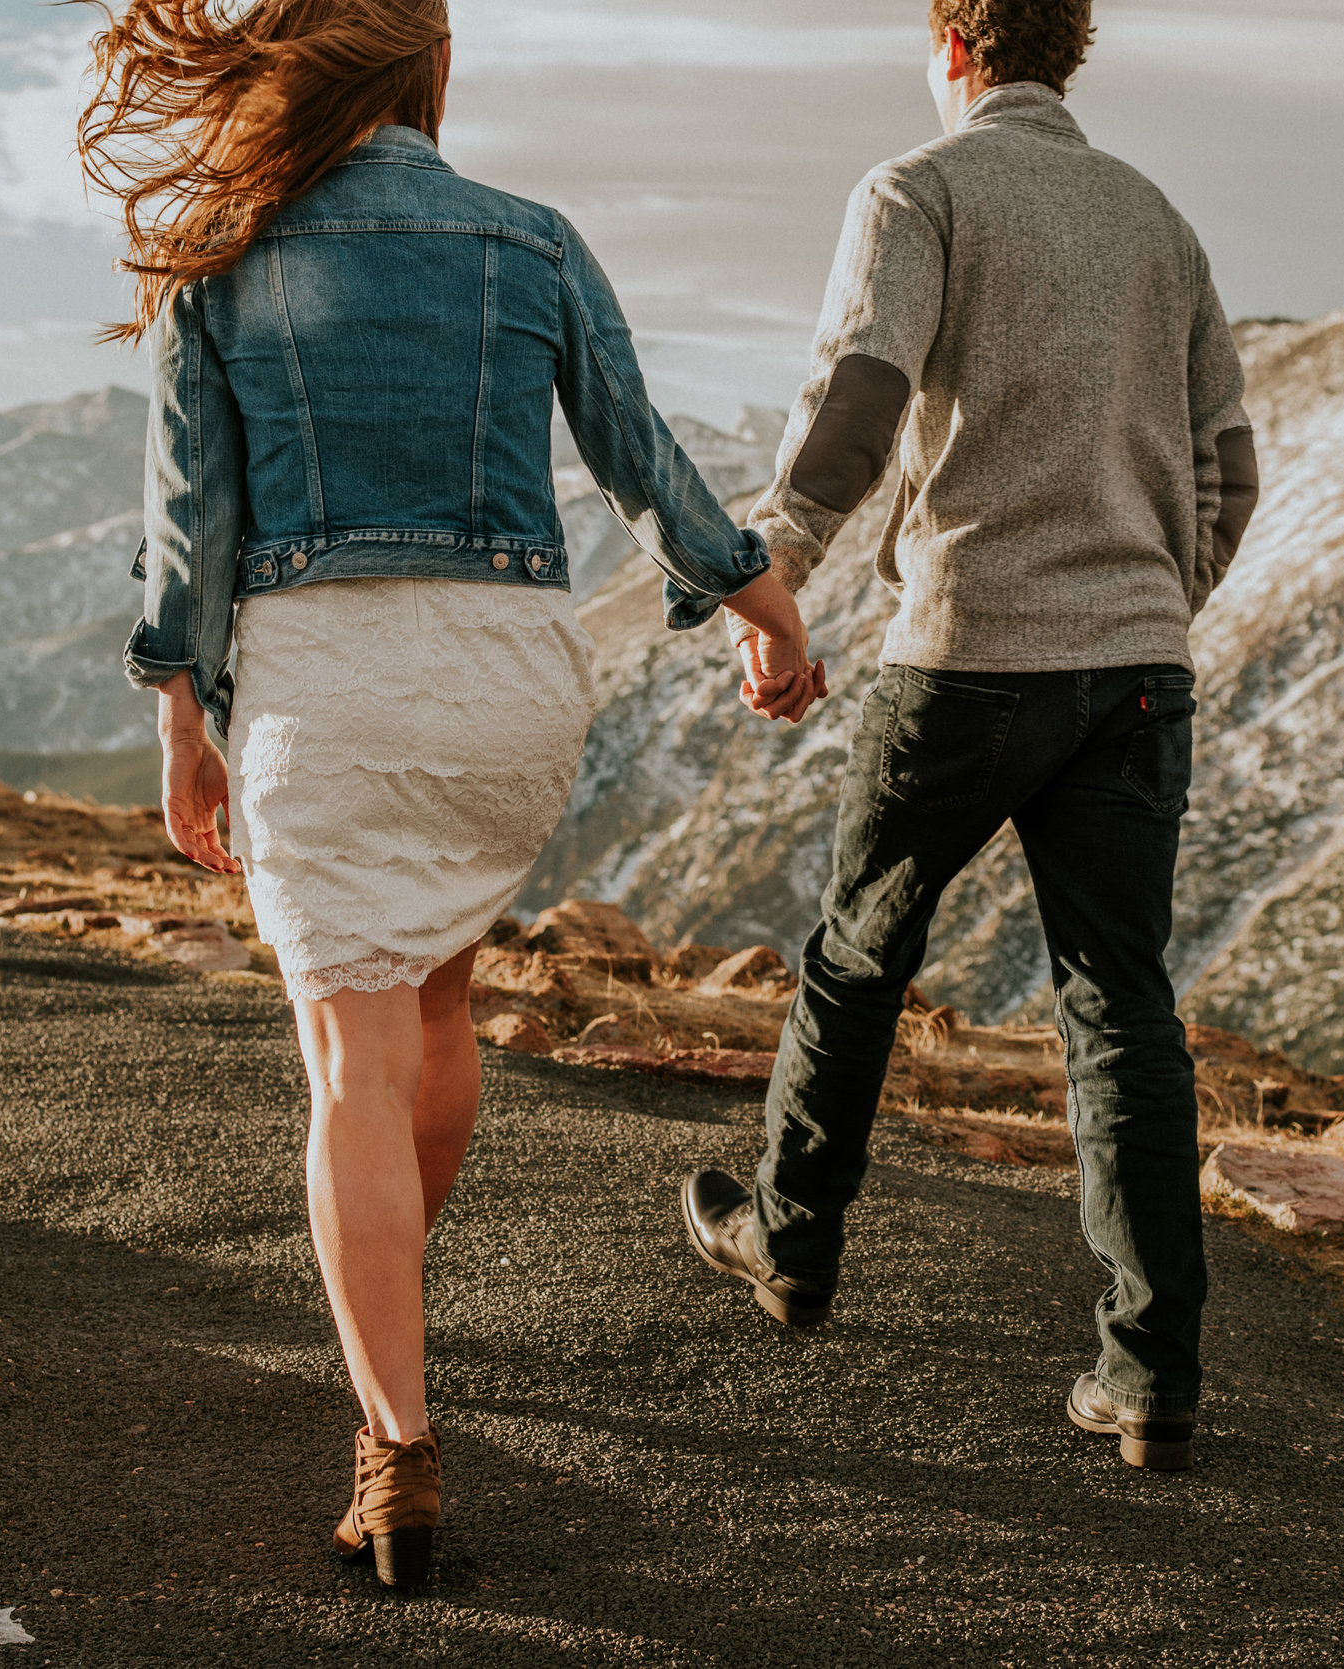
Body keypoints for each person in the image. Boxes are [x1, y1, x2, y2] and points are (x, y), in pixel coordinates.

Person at [80, 0, 820, 1586]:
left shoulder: (222, 258)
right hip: (508, 685)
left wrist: (180, 729)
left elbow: (190, 530)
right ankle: (388, 1316)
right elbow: (642, 460)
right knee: (436, 1014)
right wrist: (761, 604)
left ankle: (396, 1437)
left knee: (347, 1060)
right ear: (432, 77)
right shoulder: (532, 242)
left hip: (323, 688)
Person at [682, 0, 1260, 1474]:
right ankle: (1149, 1375)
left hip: (967, 655)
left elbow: (861, 400)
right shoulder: (1160, 222)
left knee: (861, 948)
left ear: (951, 47)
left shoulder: (917, 193)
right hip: (1134, 666)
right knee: (1122, 1008)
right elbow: (1231, 468)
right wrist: (1151, 597)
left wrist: (778, 577)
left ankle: (793, 1242)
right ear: (1067, 52)